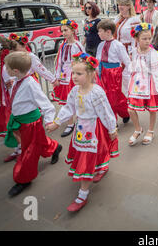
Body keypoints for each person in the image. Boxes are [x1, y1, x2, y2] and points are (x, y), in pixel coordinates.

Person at [47, 52, 118, 212]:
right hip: (80, 129)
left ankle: (82, 194)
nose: (74, 76)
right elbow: (68, 108)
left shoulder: (97, 92)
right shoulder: (74, 91)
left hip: (95, 128)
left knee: (88, 158)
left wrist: (112, 128)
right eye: (73, 73)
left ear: (91, 74)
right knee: (89, 154)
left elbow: (106, 112)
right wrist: (57, 122)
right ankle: (101, 167)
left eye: (79, 73)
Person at [3, 51, 61, 197]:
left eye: (7, 67)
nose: (5, 69)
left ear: (15, 70)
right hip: (22, 121)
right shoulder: (17, 79)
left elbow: (47, 105)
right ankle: (54, 147)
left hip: (31, 124)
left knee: (28, 151)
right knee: (37, 142)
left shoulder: (30, 84)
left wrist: (49, 121)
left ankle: (23, 179)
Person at [127, 23, 158, 145]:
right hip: (136, 82)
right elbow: (131, 68)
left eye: (149, 38)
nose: (147, 41)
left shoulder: (154, 53)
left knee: (152, 109)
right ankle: (138, 129)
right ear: (137, 39)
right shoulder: (134, 51)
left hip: (150, 83)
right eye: (144, 39)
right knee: (130, 109)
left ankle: (150, 130)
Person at [51, 19, 85, 137]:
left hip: (74, 75)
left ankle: (78, 120)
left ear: (73, 30)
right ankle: (70, 123)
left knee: (75, 99)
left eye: (66, 30)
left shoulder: (77, 45)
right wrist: (56, 77)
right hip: (64, 75)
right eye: (62, 31)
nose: (64, 33)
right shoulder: (63, 45)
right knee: (66, 99)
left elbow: (83, 59)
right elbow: (59, 61)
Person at [96, 19, 131, 128]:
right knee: (109, 95)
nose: (98, 33)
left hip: (114, 73)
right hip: (103, 72)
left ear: (108, 32)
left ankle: (112, 122)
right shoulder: (101, 45)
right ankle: (125, 111)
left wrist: (132, 74)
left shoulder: (118, 45)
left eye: (100, 31)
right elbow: (98, 59)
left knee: (111, 97)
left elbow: (126, 60)